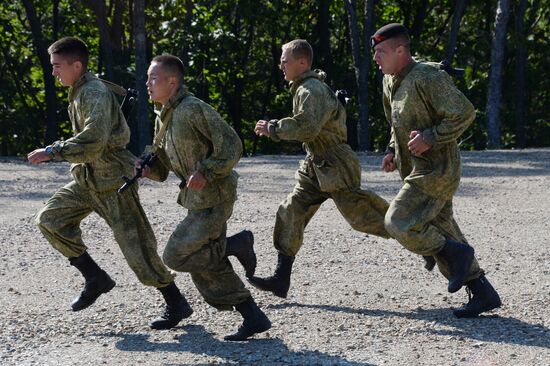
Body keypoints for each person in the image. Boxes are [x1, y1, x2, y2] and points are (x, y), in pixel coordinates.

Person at [27, 36, 191, 330]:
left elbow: (94, 141)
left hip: (114, 180)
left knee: (137, 248)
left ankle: (175, 302)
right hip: (87, 179)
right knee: (50, 220)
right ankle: (94, 277)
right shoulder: (80, 91)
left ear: (77, 66)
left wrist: (53, 151)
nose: (54, 73)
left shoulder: (92, 93)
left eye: (57, 66)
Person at [137, 54, 271, 341]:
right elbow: (164, 167)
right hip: (197, 200)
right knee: (205, 266)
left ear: (173, 81)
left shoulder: (194, 109)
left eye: (153, 78)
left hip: (215, 198)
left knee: (176, 254)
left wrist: (207, 171)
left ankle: (236, 243)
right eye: (148, 78)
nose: (147, 83)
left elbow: (232, 145)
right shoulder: (164, 115)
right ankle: (253, 316)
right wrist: (149, 169)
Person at [372, 23, 501, 317]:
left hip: (438, 172)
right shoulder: (390, 81)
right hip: (415, 171)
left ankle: (452, 254)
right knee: (445, 229)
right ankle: (483, 292)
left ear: (401, 51)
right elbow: (397, 123)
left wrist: (430, 137)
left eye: (381, 52)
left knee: (398, 221)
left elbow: (464, 112)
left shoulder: (427, 77)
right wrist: (393, 150)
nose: (376, 59)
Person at [251, 39, 391, 299]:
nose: (281, 64)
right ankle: (281, 278)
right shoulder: (303, 88)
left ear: (302, 63)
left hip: (335, 163)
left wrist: (273, 128)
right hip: (316, 164)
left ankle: (426, 243)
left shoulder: (310, 90)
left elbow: (307, 127)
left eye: (285, 60)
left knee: (363, 217)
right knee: (291, 210)